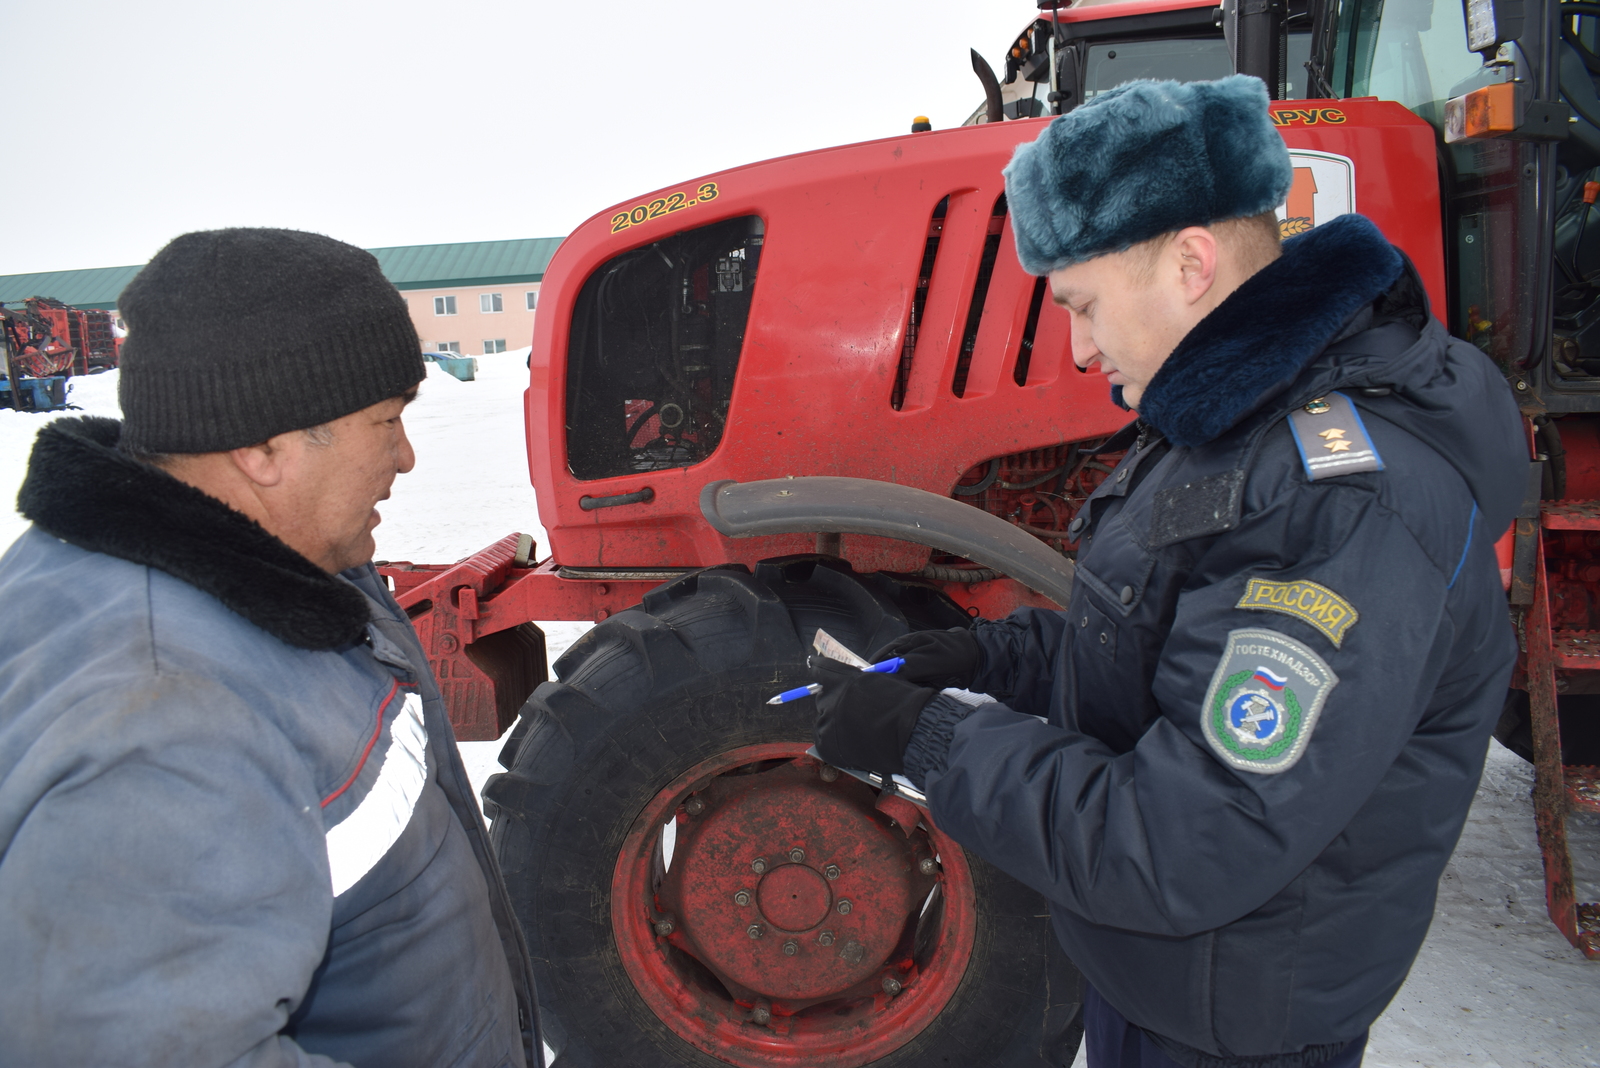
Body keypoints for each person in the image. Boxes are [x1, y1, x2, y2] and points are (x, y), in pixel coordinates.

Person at [810, 76, 1525, 1068]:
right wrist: (985, 655)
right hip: (1164, 979)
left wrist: (932, 741)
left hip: (1232, 1020)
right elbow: (1165, 642)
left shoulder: (1340, 502)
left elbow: (1185, 841)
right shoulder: (1231, 421)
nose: (1079, 347)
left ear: (1191, 263)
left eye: (1083, 304)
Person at [0, 229, 540, 1068]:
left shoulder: (286, 562)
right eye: (386, 420)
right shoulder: (162, 718)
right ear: (260, 449)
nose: (405, 457)